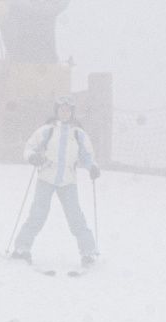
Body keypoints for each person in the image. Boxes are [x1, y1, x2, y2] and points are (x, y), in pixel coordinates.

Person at [11, 95, 100, 267]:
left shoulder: (78, 133)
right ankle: (22, 249)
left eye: (67, 110)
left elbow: (87, 155)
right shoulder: (47, 130)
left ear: (72, 113)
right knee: (37, 215)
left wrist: (93, 167)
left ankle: (88, 253)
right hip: (46, 178)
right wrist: (33, 157)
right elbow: (29, 147)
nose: (64, 113)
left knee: (76, 218)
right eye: (61, 110)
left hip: (68, 181)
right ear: (57, 111)